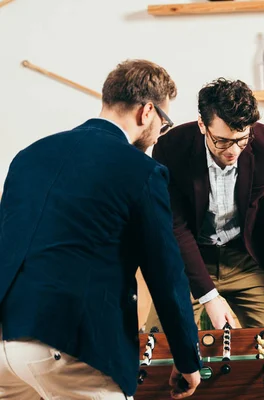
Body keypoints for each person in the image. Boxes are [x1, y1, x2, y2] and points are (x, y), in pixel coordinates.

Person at [0, 60, 201, 399]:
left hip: (6, 343)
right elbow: (165, 274)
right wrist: (187, 358)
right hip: (69, 348)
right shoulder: (142, 171)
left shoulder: (29, 155)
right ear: (147, 112)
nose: (159, 134)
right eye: (163, 125)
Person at [146, 78, 264, 331]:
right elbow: (175, 227)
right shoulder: (170, 148)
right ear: (203, 124)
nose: (234, 151)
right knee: (161, 348)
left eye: (242, 139)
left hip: (246, 260)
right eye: (223, 141)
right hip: (188, 260)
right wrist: (209, 297)